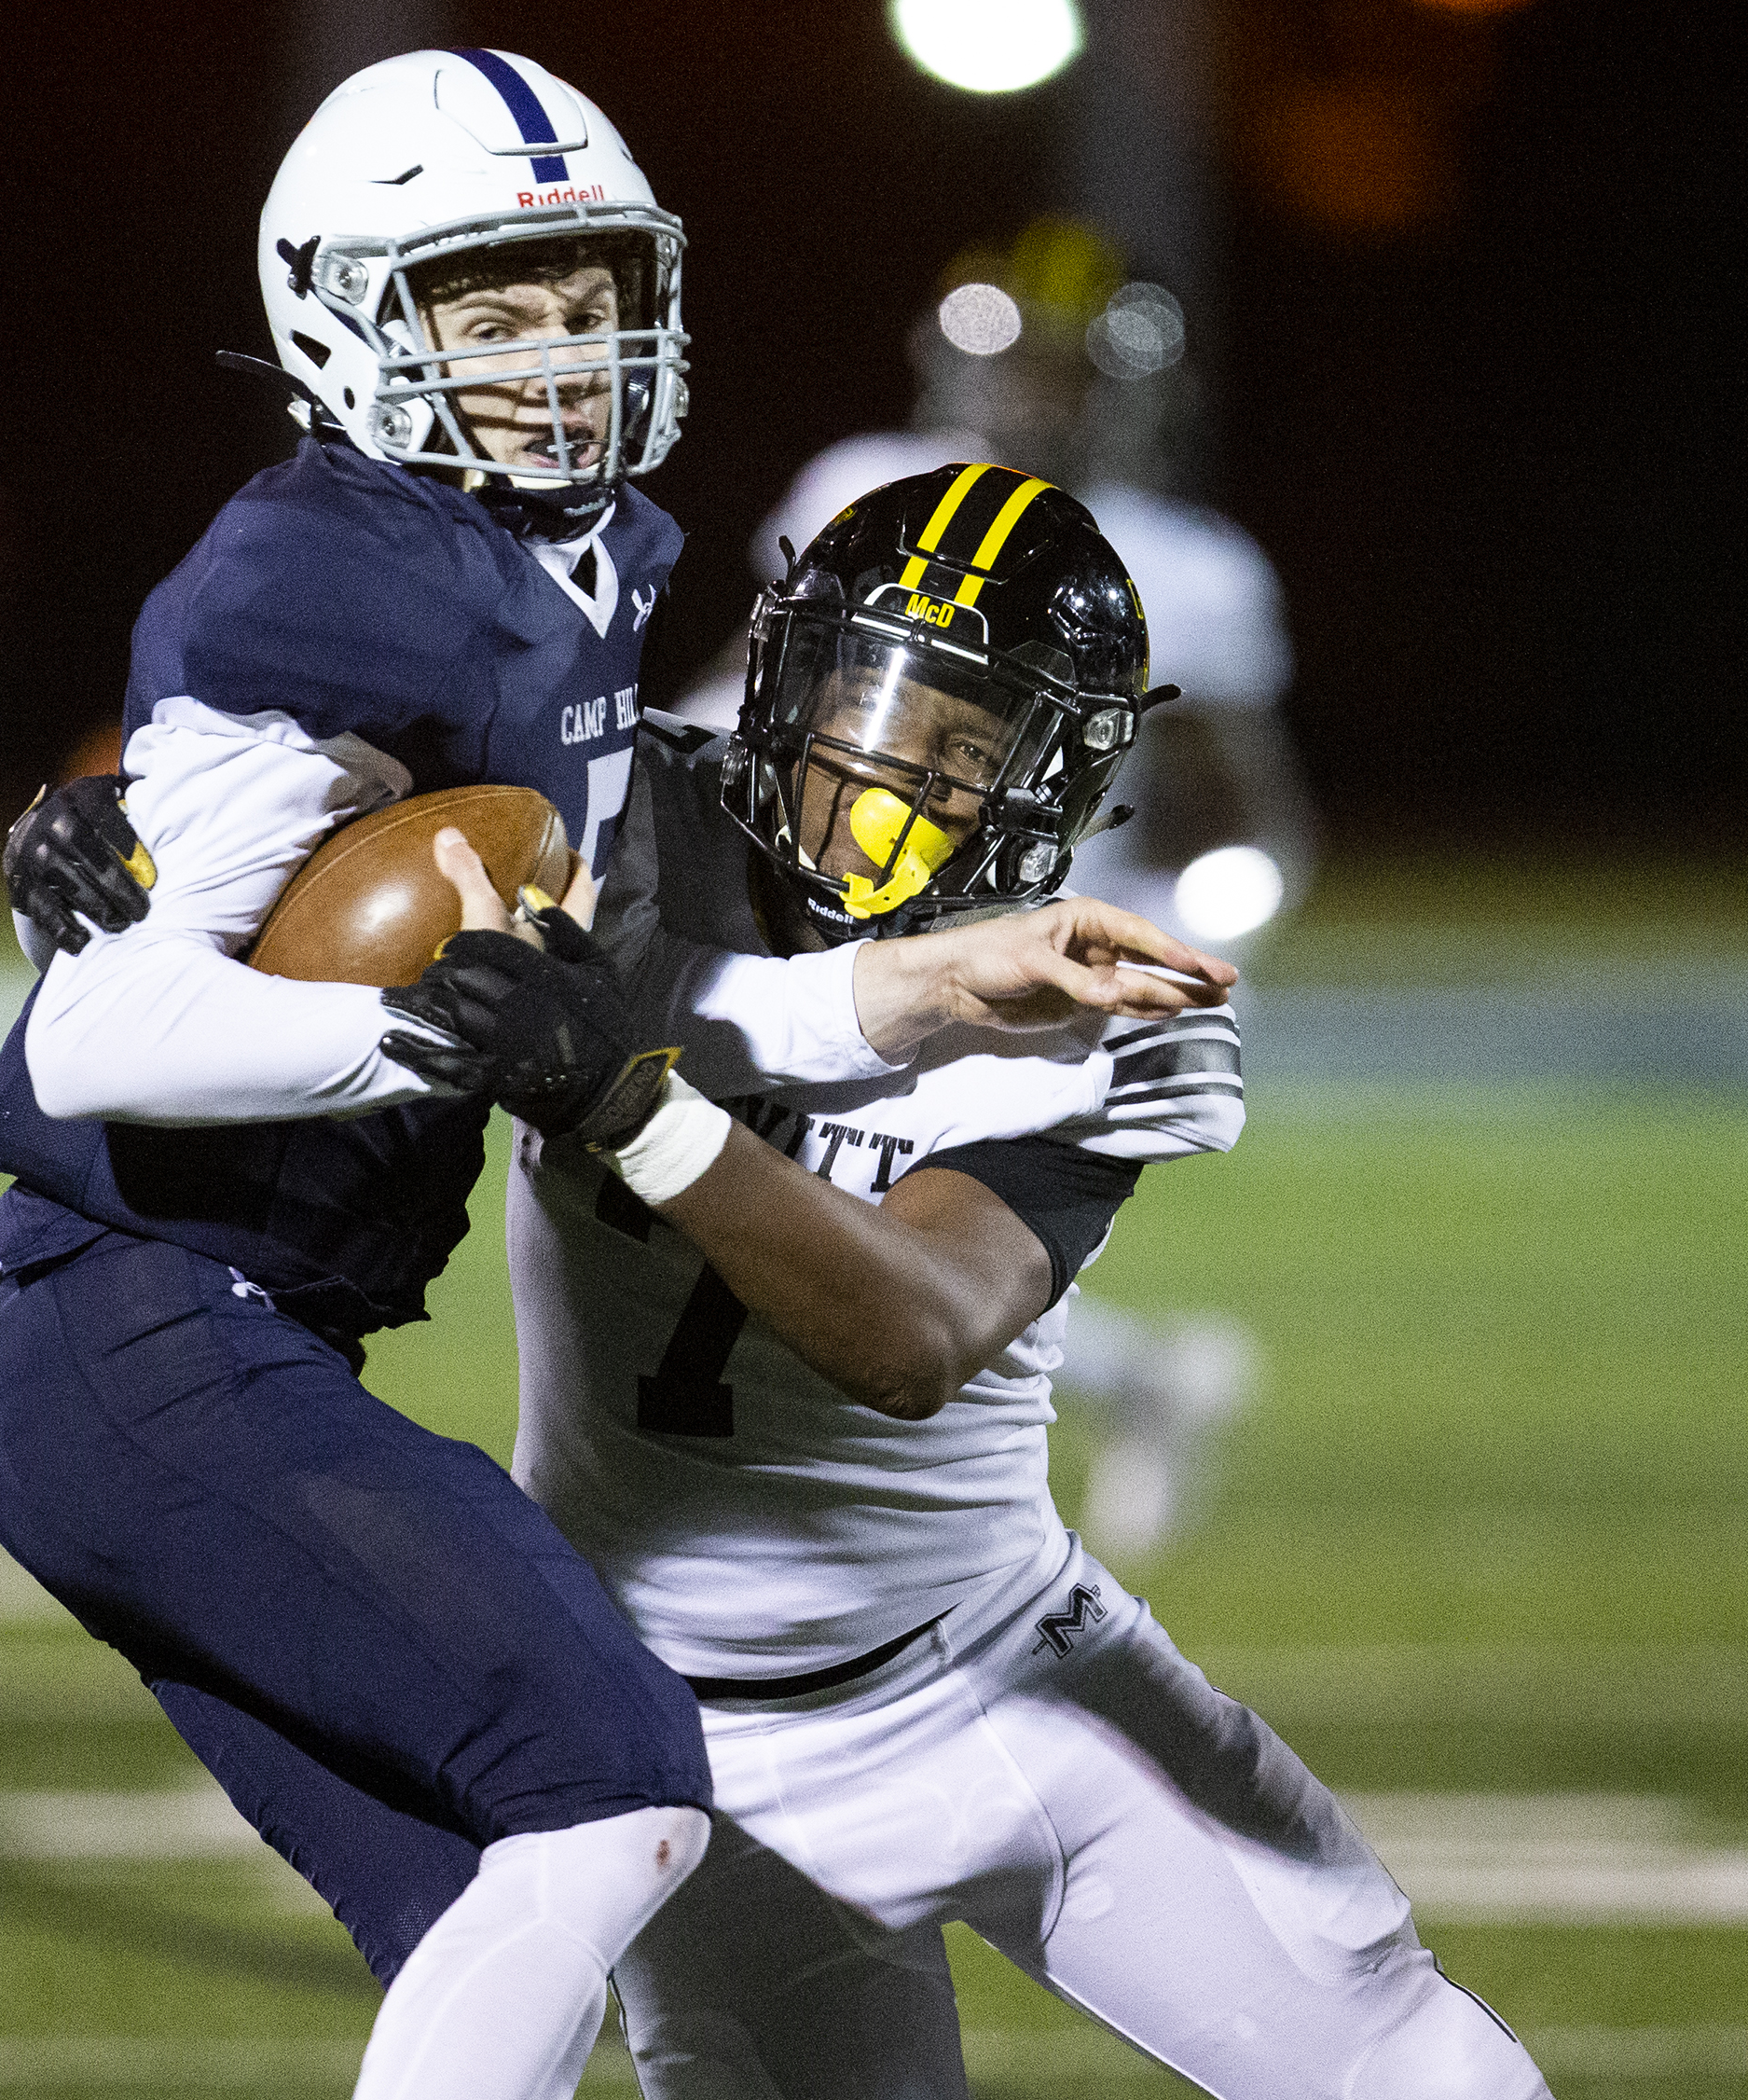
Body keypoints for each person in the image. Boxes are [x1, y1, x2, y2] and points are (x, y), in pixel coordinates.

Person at [0, 50, 1223, 2100]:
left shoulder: (566, 562)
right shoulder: (338, 569)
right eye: (490, 310)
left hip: (193, 1346)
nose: (561, 350)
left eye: (585, 293)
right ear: (347, 314)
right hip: (152, 1331)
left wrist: (938, 987)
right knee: (615, 1788)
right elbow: (103, 1029)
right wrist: (428, 1029)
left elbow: (622, 995)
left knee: (503, 1917)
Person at [515, 469, 1546, 2095]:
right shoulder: (618, 819)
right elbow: (335, 847)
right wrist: (119, 851)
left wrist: (624, 1098)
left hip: (1001, 1676)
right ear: (786, 681)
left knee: (1423, 2082)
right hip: (678, 1747)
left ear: (1058, 775)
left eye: (965, 748)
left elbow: (910, 1333)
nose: (891, 781)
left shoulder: (1098, 994)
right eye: (873, 704)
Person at [674, 218, 1318, 1558]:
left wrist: (1176, 956)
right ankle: (1142, 1383)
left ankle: (877, 1502)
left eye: (1073, 377)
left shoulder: (1187, 570)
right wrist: (661, 808)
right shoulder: (862, 486)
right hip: (851, 906)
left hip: (1036, 956)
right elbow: (756, 690)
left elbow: (1240, 813)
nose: (1041, 401)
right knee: (786, 1205)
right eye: (1026, 369)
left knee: (815, 1207)